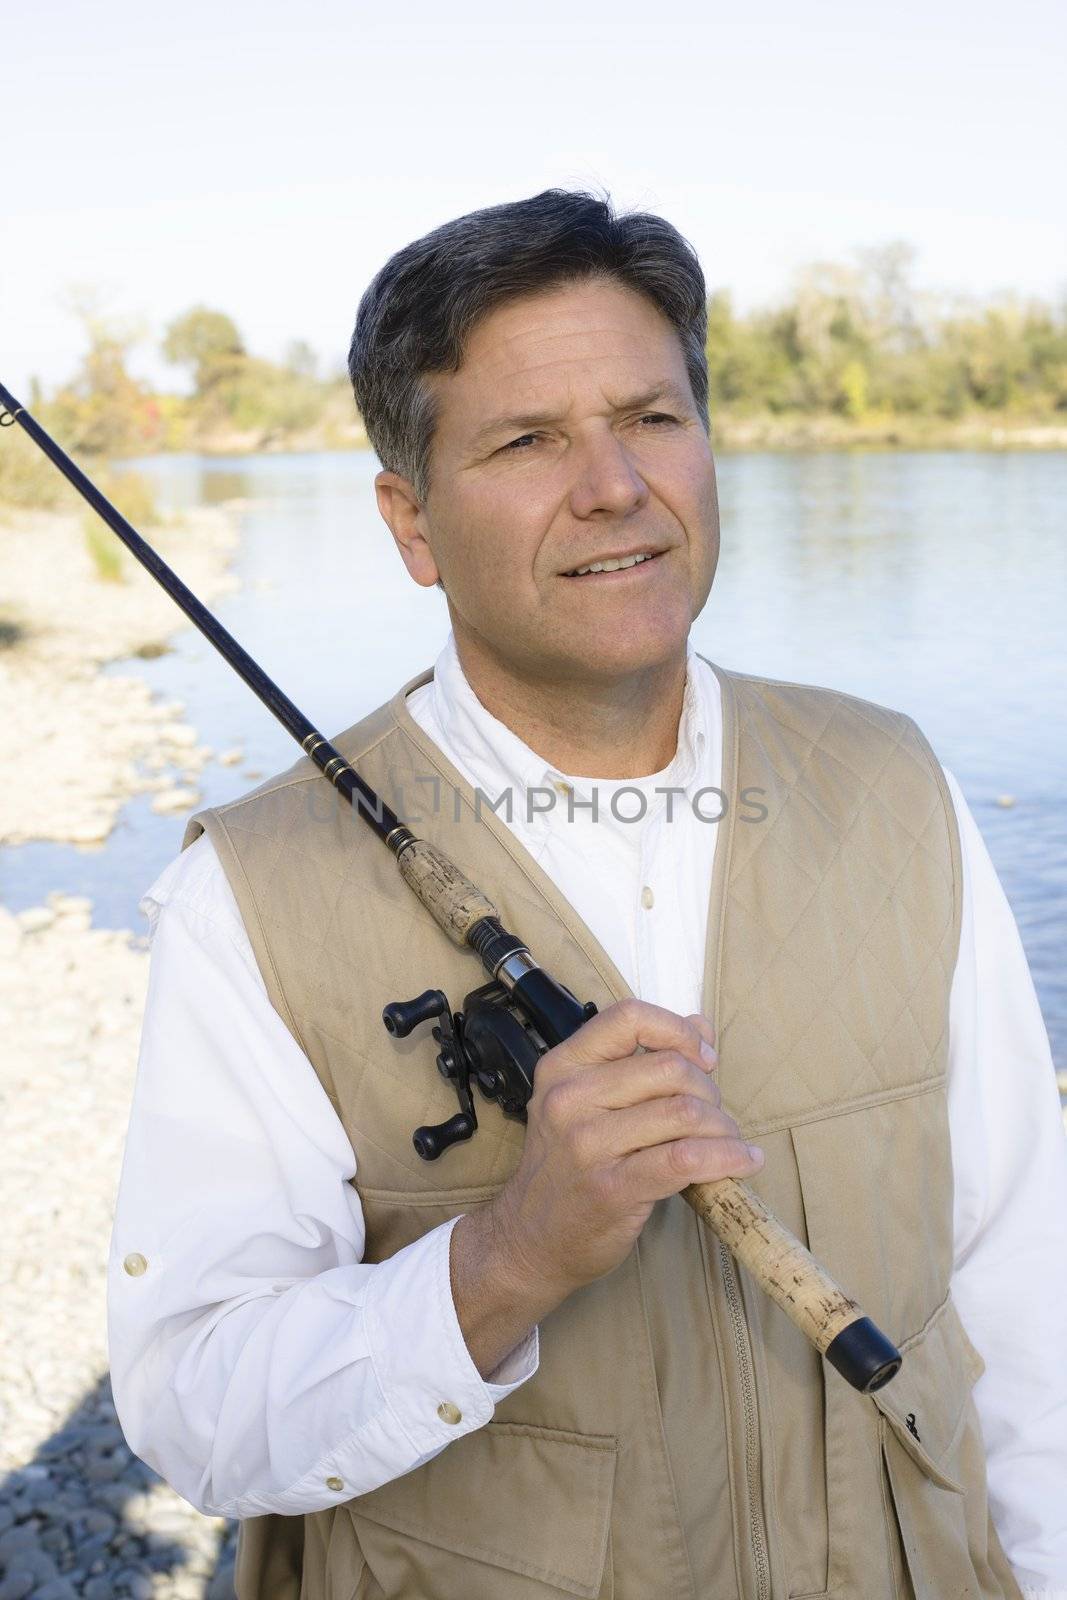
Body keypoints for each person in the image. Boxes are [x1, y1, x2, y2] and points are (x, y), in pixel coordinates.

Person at [107, 189, 1067, 1600]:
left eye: (654, 417)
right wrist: (505, 1258)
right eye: (527, 440)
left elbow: (1023, 1282)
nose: (617, 485)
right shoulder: (249, 894)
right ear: (411, 519)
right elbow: (196, 1411)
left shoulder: (893, 778)